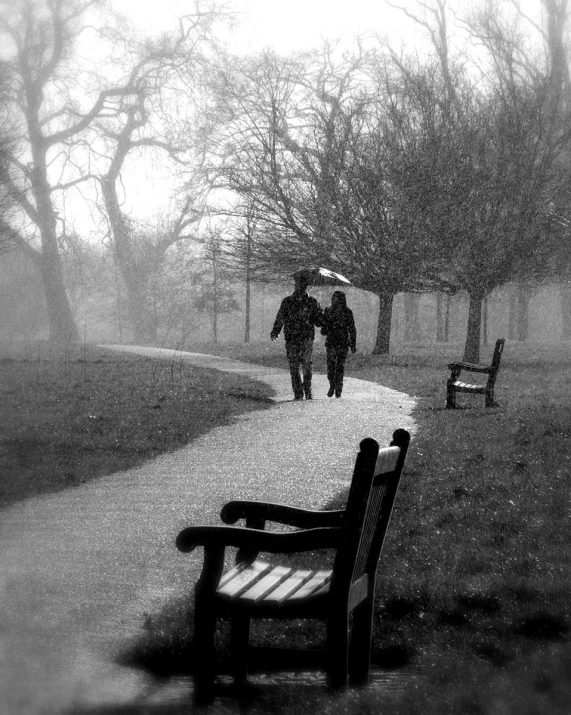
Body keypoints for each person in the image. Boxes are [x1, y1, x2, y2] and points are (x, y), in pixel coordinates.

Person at [271, 275, 324, 400]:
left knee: (301, 364)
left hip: (299, 337)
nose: (299, 287)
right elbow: (281, 317)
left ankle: (303, 391)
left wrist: (321, 316)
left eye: (301, 285)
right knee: (300, 365)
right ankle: (302, 391)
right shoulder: (296, 301)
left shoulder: (308, 302)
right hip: (297, 337)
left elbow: (318, 322)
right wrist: (275, 331)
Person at [321, 291, 357, 398]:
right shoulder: (328, 311)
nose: (333, 300)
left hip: (342, 342)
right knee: (331, 366)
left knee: (340, 366)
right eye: (333, 298)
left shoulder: (347, 312)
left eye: (335, 298)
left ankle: (338, 387)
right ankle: (332, 384)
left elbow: (352, 328)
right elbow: (324, 326)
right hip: (331, 342)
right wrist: (326, 327)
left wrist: (353, 343)